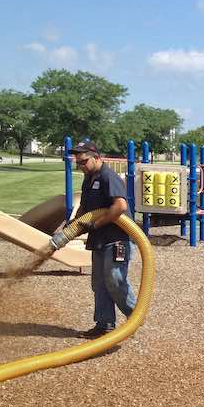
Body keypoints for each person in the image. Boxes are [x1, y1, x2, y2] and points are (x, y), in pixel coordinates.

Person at [50, 141, 137, 338]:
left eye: (83, 162)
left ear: (97, 158)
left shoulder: (108, 177)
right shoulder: (89, 178)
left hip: (117, 238)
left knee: (115, 280)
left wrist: (96, 224)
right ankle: (104, 325)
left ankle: (135, 317)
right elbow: (85, 208)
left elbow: (120, 206)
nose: (80, 166)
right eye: (77, 163)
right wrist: (73, 224)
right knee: (99, 283)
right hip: (99, 238)